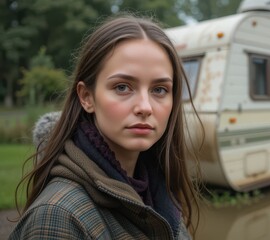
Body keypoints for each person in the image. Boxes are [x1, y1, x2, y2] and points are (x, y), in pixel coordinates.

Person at [9, 14, 202, 240]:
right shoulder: (59, 217)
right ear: (87, 97)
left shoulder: (158, 189)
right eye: (122, 87)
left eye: (159, 89)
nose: (145, 107)